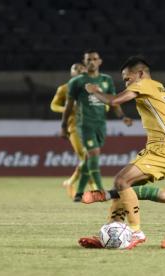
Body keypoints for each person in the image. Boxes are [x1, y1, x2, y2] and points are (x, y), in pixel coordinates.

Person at [78, 56, 165, 249]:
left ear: (140, 74)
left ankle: (136, 232)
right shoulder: (163, 92)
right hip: (164, 151)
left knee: (121, 181)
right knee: (124, 187)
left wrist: (95, 91)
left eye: (127, 79)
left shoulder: (144, 84)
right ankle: (111, 234)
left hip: (164, 150)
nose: (126, 83)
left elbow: (114, 101)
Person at [61, 50, 133, 202]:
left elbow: (114, 101)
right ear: (85, 62)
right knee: (94, 153)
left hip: (100, 125)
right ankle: (100, 189)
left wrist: (122, 116)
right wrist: (63, 126)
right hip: (84, 124)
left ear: (100, 61)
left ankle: (79, 193)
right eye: (88, 59)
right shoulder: (77, 81)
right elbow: (68, 106)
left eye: (94, 59)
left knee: (89, 158)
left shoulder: (106, 80)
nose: (92, 62)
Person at [51, 63, 97, 199]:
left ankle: (70, 182)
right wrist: (65, 109)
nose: (79, 71)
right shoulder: (64, 89)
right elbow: (53, 105)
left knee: (88, 157)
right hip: (74, 127)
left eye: (82, 69)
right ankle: (93, 187)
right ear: (71, 72)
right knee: (85, 156)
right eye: (76, 69)